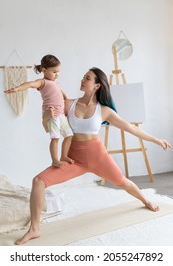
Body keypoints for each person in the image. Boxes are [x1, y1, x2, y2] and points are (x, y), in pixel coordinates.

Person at [15, 67, 171, 245]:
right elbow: (47, 126)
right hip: (74, 160)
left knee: (123, 182)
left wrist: (157, 140)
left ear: (97, 85)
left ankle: (146, 200)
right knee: (38, 181)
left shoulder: (104, 111)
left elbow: (132, 128)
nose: (82, 80)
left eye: (87, 78)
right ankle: (34, 229)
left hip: (98, 157)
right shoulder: (68, 104)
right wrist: (46, 117)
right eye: (83, 77)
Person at [4, 54, 73, 167]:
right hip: (51, 114)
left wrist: (66, 100)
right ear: (44, 70)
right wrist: (17, 88)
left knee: (69, 135)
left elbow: (61, 94)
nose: (57, 75)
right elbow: (29, 84)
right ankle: (55, 160)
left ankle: (64, 155)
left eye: (58, 71)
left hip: (60, 114)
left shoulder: (56, 82)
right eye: (54, 72)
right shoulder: (42, 82)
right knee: (55, 138)